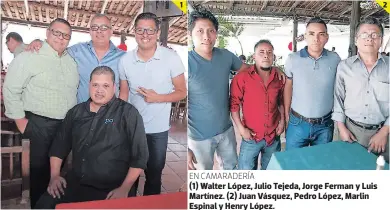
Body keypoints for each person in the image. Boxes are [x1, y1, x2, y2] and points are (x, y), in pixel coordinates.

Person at [35, 66, 149, 208]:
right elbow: (59, 146)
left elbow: (140, 156)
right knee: (43, 205)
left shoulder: (128, 113)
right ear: (89, 85)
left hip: (112, 188)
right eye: (95, 85)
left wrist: (125, 188)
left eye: (105, 86)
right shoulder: (75, 112)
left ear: (114, 87)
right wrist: (54, 176)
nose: (99, 90)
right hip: (76, 183)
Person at [187, 9, 286, 170]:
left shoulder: (225, 56)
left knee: (232, 170)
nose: (206, 36)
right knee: (203, 175)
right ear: (191, 34)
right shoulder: (187, 62)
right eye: (200, 31)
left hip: (226, 131)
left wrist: (274, 69)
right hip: (199, 137)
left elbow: (251, 69)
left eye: (211, 31)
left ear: (216, 34)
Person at [3, 18, 78, 208]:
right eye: (56, 33)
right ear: (47, 32)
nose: (61, 38)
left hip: (65, 125)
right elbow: (11, 88)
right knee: (38, 174)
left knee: (60, 172)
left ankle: (54, 205)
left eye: (66, 35)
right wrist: (21, 122)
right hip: (39, 124)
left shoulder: (70, 60)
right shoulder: (30, 56)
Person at [118, 12, 186, 195]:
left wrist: (158, 98)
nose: (145, 34)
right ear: (134, 32)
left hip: (158, 130)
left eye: (149, 30)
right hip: (131, 128)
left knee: (154, 176)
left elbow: (182, 92)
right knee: (128, 176)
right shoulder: (125, 60)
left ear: (157, 33)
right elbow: (123, 95)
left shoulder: (171, 58)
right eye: (140, 30)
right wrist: (118, 122)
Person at [27, 13, 125, 103]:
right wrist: (39, 42)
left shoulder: (123, 57)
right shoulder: (77, 51)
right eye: (94, 27)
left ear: (111, 31)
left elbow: (125, 90)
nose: (99, 31)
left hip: (109, 117)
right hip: (80, 115)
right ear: (90, 31)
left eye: (104, 27)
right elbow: (56, 49)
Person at [333, 17, 389, 162]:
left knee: (381, 174)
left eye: (374, 35)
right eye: (364, 35)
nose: (369, 39)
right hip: (351, 131)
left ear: (381, 40)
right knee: (349, 170)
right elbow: (338, 98)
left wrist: (384, 131)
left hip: (384, 132)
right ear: (356, 40)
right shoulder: (344, 66)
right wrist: (341, 128)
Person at [283, 17, 341, 150]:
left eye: (321, 34)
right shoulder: (293, 59)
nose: (316, 38)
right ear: (305, 36)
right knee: (294, 163)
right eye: (311, 34)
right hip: (297, 122)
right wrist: (286, 114)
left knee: (320, 164)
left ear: (327, 37)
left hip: (325, 124)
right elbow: (288, 87)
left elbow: (339, 88)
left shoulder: (335, 59)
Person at [230, 40, 284, 170]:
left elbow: (281, 102)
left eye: (269, 53)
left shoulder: (279, 78)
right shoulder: (242, 78)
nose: (266, 55)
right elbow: (234, 106)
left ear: (274, 57)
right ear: (253, 57)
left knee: (271, 173)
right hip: (251, 137)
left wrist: (282, 122)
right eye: (261, 52)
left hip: (273, 137)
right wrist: (241, 129)